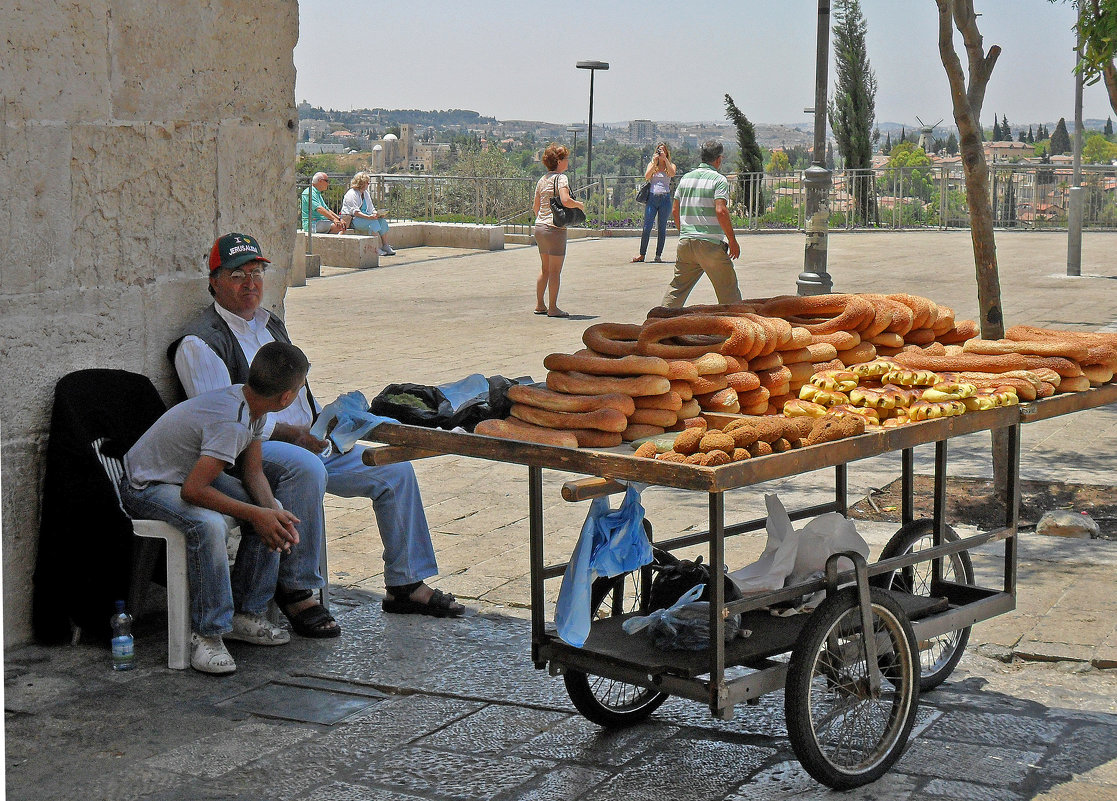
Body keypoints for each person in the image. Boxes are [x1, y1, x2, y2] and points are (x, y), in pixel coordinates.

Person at [172, 232, 465, 622]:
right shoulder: (201, 343)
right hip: (248, 454)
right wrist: (293, 436)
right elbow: (222, 424)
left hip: (308, 440)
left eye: (256, 273)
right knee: (304, 468)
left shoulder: (269, 324)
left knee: (394, 471)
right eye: (237, 275)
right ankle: (297, 589)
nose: (251, 284)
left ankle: (406, 584)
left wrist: (323, 422)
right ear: (214, 281)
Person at [121, 341, 323, 674]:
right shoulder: (232, 422)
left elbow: (253, 471)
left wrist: (272, 512)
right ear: (286, 397)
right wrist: (258, 514)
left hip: (185, 473)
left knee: (272, 509)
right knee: (210, 525)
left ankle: (245, 613)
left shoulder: (251, 404)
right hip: (147, 484)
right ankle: (207, 633)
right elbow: (194, 491)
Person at [661, 140, 743, 308]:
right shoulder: (718, 180)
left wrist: (684, 232)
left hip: (686, 243)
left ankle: (657, 324)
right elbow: (721, 211)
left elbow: (675, 210)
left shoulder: (685, 179)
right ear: (719, 160)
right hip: (710, 244)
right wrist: (732, 240)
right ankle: (738, 326)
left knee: (677, 289)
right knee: (729, 292)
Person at [531, 143, 585, 318]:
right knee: (555, 271)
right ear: (559, 161)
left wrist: (543, 217)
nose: (568, 161)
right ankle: (553, 307)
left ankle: (540, 304)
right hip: (554, 229)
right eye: (566, 158)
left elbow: (535, 207)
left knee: (544, 269)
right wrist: (579, 205)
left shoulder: (542, 180)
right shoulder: (561, 179)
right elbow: (565, 200)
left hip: (539, 227)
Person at [632, 142, 676, 264]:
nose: (660, 152)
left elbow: (672, 174)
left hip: (665, 198)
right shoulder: (652, 164)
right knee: (647, 227)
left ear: (667, 153)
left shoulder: (670, 165)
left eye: (663, 150)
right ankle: (642, 254)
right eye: (658, 150)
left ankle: (658, 255)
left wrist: (665, 160)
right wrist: (655, 161)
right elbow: (647, 176)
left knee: (662, 228)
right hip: (652, 198)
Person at [341, 171, 395, 256]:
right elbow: (355, 212)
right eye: (367, 182)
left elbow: (371, 208)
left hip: (365, 217)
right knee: (373, 222)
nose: (369, 184)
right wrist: (369, 217)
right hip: (353, 219)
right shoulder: (352, 193)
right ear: (361, 182)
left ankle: (385, 245)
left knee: (382, 221)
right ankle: (375, 248)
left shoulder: (365, 193)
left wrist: (377, 214)